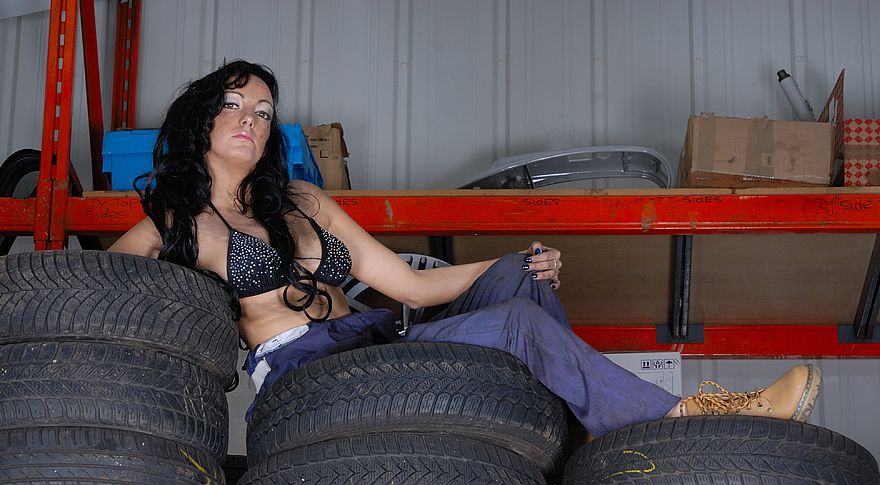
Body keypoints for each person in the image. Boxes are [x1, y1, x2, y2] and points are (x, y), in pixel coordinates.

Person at [109, 60, 822, 437]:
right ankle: (685, 419)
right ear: (203, 116)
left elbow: (412, 288)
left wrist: (521, 263)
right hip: (303, 377)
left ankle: (588, 446)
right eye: (234, 104)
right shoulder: (176, 218)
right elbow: (87, 293)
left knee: (521, 279)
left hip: (372, 336)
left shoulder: (300, 200)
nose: (250, 120)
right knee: (517, 325)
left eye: (264, 111)